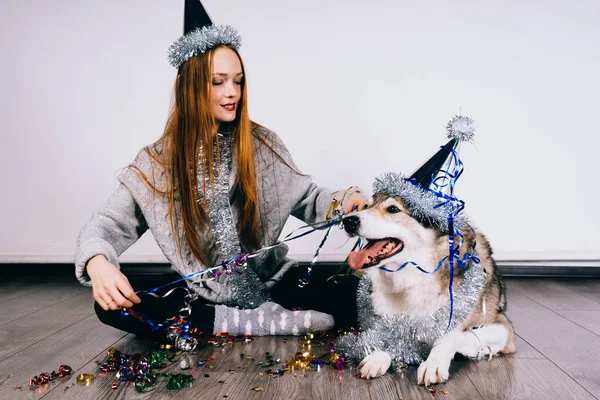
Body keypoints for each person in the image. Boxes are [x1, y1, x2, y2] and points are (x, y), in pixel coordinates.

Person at [75, 1, 366, 340]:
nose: (232, 93)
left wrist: (347, 201)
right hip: (201, 297)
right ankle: (247, 322)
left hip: (272, 284)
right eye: (218, 82)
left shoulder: (262, 143)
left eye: (238, 82)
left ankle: (242, 319)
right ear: (191, 87)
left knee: (357, 294)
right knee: (111, 305)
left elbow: (309, 199)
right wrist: (98, 264)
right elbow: (106, 224)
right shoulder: (155, 162)